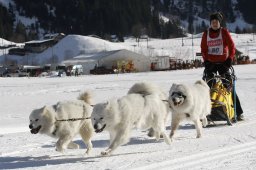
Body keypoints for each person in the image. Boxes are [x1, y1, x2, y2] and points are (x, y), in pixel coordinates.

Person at [200, 12, 244, 121]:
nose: (214, 24)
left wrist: (230, 59)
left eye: (216, 22)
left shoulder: (224, 32)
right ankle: (204, 114)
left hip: (223, 64)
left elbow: (232, 47)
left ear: (220, 23)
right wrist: (206, 61)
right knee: (207, 89)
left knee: (229, 87)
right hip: (211, 65)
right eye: (213, 22)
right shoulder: (206, 33)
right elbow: (203, 49)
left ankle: (239, 112)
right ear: (211, 23)